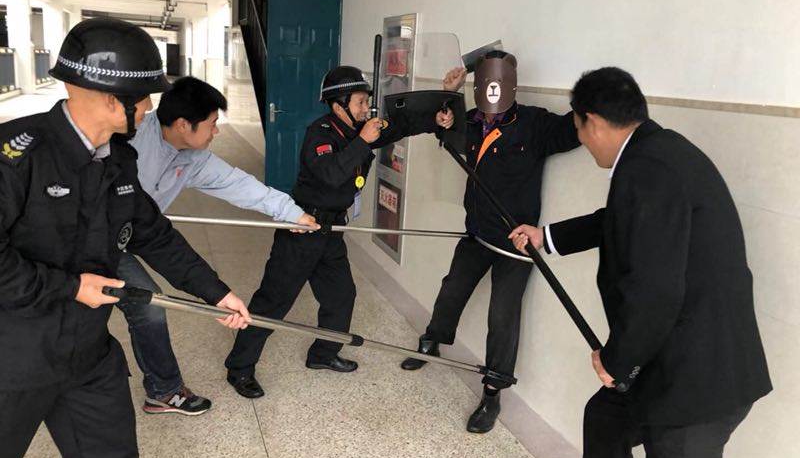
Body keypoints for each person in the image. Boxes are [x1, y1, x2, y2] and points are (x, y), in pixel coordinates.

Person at [0, 17, 251, 458]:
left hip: (88, 354)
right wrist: (71, 287)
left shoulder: (118, 159)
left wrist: (216, 293)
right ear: (112, 99)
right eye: (146, 96)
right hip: (14, 355)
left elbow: (153, 234)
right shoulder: (17, 157)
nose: (152, 107)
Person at [509, 67, 772, 458]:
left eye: (578, 128)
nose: (581, 140)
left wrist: (617, 362)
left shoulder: (648, 168)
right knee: (606, 419)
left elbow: (656, 291)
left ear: (594, 121)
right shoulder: (655, 153)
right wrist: (547, 237)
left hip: (697, 379)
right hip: (663, 354)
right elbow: (622, 220)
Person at [224, 65, 454, 398]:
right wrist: (362, 142)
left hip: (332, 230)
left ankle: (323, 354)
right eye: (360, 102)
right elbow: (331, 175)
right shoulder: (319, 134)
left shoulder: (361, 129)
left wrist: (435, 118)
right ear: (338, 104)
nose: (365, 109)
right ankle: (240, 368)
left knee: (340, 296)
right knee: (273, 302)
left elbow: (400, 125)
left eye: (366, 102)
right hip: (301, 229)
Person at [400, 50, 580, 434]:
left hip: (517, 241)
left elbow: (573, 131)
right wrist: (448, 96)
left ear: (510, 84)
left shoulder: (534, 123)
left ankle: (493, 390)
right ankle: (432, 340)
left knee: (502, 315)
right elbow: (442, 131)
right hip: (478, 231)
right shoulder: (468, 120)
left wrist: (591, 96)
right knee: (452, 289)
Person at [118, 76, 318, 416]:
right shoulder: (129, 142)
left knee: (147, 303)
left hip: (132, 234)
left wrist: (291, 213)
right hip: (82, 238)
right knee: (129, 309)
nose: (216, 131)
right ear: (183, 124)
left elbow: (236, 184)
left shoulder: (192, 156)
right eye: (212, 123)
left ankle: (162, 391)